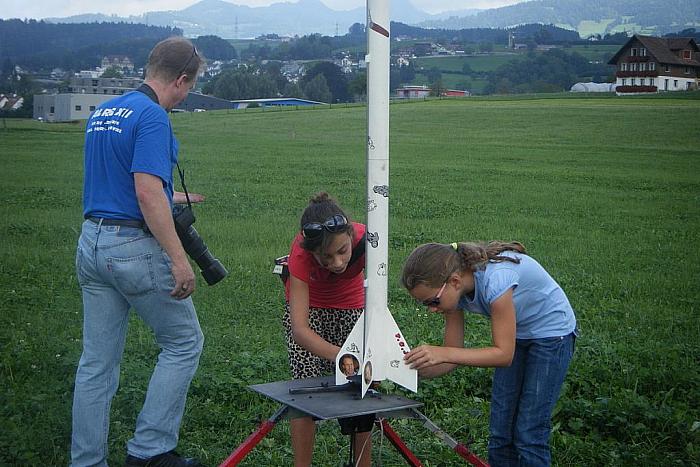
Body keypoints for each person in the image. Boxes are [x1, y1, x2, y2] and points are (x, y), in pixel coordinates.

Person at [72, 37, 206, 467]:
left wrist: (176, 196)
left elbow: (117, 179)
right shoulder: (153, 116)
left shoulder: (107, 110)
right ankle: (150, 451)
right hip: (131, 246)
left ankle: (87, 460)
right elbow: (146, 193)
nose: (184, 97)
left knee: (97, 363)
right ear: (181, 80)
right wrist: (179, 260)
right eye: (188, 87)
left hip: (92, 242)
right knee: (183, 342)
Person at [401, 241, 577, 467]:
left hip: (553, 335)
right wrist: (405, 372)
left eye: (433, 301)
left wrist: (443, 353)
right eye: (425, 304)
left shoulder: (496, 280)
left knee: (528, 432)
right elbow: (450, 358)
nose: (432, 309)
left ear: (454, 281)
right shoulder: (454, 291)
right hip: (519, 335)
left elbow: (503, 355)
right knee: (500, 432)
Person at [283, 192, 371, 467]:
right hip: (311, 308)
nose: (337, 263)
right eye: (325, 257)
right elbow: (300, 328)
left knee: (361, 390)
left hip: (349, 303)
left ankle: (362, 463)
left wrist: (355, 358)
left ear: (350, 236)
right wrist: (343, 355)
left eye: (343, 251)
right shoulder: (300, 250)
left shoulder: (368, 237)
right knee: (304, 389)